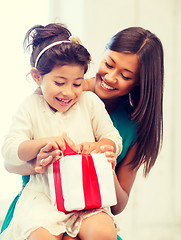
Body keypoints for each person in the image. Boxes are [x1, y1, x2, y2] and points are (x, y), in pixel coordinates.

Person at [0, 26, 164, 240]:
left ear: (140, 81)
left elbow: (118, 204)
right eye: (109, 64)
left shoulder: (116, 117)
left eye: (125, 75)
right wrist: (36, 160)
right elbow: (11, 158)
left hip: (91, 204)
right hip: (42, 203)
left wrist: (105, 161)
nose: (111, 77)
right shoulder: (49, 95)